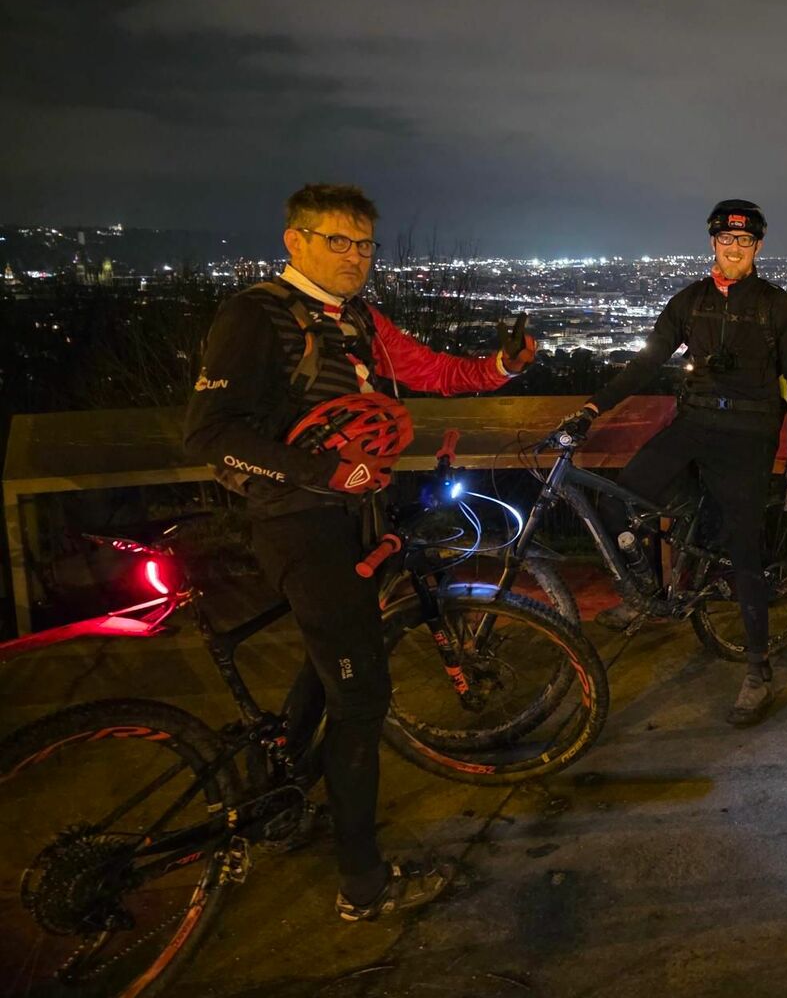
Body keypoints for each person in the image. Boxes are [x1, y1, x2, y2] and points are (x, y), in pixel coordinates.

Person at [184, 183, 537, 920]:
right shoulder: (256, 316)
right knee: (361, 699)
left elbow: (432, 370)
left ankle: (279, 792)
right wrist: (325, 472)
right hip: (300, 525)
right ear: (295, 241)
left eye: (364, 244)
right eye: (337, 241)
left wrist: (500, 367)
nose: (355, 256)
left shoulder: (357, 320)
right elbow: (210, 434)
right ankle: (363, 885)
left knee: (331, 662)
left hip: (350, 520)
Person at [557, 199, 787, 728]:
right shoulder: (690, 301)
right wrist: (592, 408)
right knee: (618, 498)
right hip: (694, 423)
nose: (734, 248)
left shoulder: (777, 307)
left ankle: (758, 668)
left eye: (745, 240)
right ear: (713, 242)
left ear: (758, 246)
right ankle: (644, 590)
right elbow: (647, 362)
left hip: (748, 435)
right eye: (726, 239)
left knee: (745, 551)